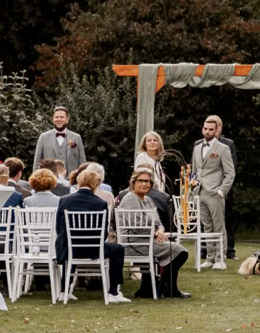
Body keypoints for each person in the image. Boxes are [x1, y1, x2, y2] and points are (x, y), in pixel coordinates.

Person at [53, 170, 130, 303]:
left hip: (68, 249)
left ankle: (63, 291)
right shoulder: (100, 203)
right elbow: (103, 234)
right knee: (118, 249)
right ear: (95, 184)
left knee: (69, 245)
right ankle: (113, 291)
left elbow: (58, 228)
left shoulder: (64, 200)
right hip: (94, 249)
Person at [115, 169, 189, 297]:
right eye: (141, 181)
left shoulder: (148, 200)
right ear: (134, 182)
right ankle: (166, 288)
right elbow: (135, 226)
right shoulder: (130, 199)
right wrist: (156, 233)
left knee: (177, 250)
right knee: (179, 251)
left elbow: (158, 222)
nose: (144, 184)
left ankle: (162, 287)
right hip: (134, 242)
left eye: (147, 181)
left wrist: (160, 230)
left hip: (148, 239)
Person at [190, 115, 236, 269]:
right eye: (205, 128)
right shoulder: (197, 148)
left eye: (211, 129)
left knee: (219, 226)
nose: (207, 131)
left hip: (215, 193)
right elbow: (195, 171)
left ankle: (220, 258)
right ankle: (210, 258)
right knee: (207, 227)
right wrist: (193, 184)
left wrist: (222, 192)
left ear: (217, 131)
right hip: (200, 192)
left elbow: (230, 173)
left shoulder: (223, 149)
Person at [34, 106, 86, 176]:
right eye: (56, 117)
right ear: (53, 119)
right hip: (49, 180)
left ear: (67, 119)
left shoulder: (77, 137)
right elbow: (37, 162)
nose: (59, 119)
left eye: (62, 117)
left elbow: (82, 163)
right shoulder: (43, 137)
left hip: (70, 181)